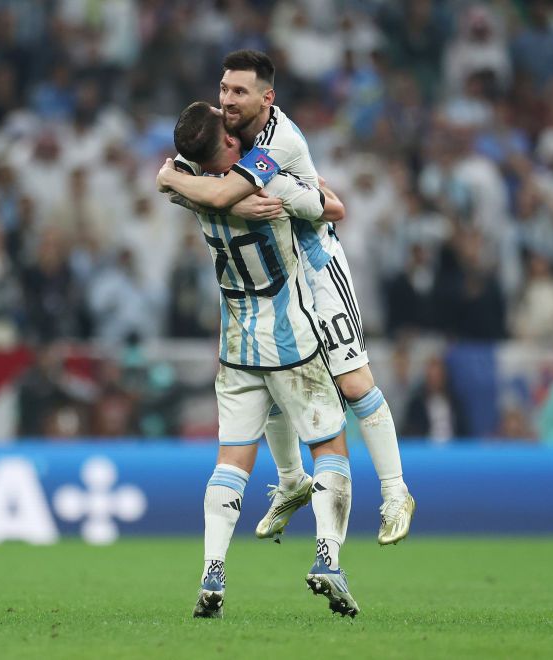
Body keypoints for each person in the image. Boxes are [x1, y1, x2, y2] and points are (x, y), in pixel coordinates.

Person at [156, 50, 414, 545]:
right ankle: (293, 481)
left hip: (316, 265)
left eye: (239, 92)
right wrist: (174, 179)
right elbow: (177, 179)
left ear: (266, 98)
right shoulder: (218, 134)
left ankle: (396, 492)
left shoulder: (278, 141)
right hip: (274, 273)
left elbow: (332, 207)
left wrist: (185, 183)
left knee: (355, 382)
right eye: (224, 89)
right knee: (270, 373)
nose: (228, 100)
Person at [168, 102, 358, 619]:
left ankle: (212, 570)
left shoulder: (192, 191)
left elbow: (172, 177)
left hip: (235, 346)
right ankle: (327, 559)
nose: (232, 119)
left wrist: (216, 197)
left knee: (231, 461)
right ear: (225, 144)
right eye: (223, 119)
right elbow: (332, 207)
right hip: (291, 342)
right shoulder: (267, 182)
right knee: (331, 447)